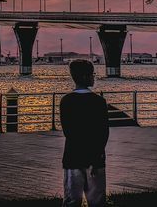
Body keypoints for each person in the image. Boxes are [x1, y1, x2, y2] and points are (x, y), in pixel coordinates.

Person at [59, 58, 109, 207]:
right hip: (95, 158)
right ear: (85, 77)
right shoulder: (99, 102)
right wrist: (97, 154)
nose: (94, 77)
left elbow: (68, 131)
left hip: (73, 157)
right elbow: (103, 133)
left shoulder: (66, 101)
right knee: (97, 201)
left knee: (72, 200)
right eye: (92, 74)